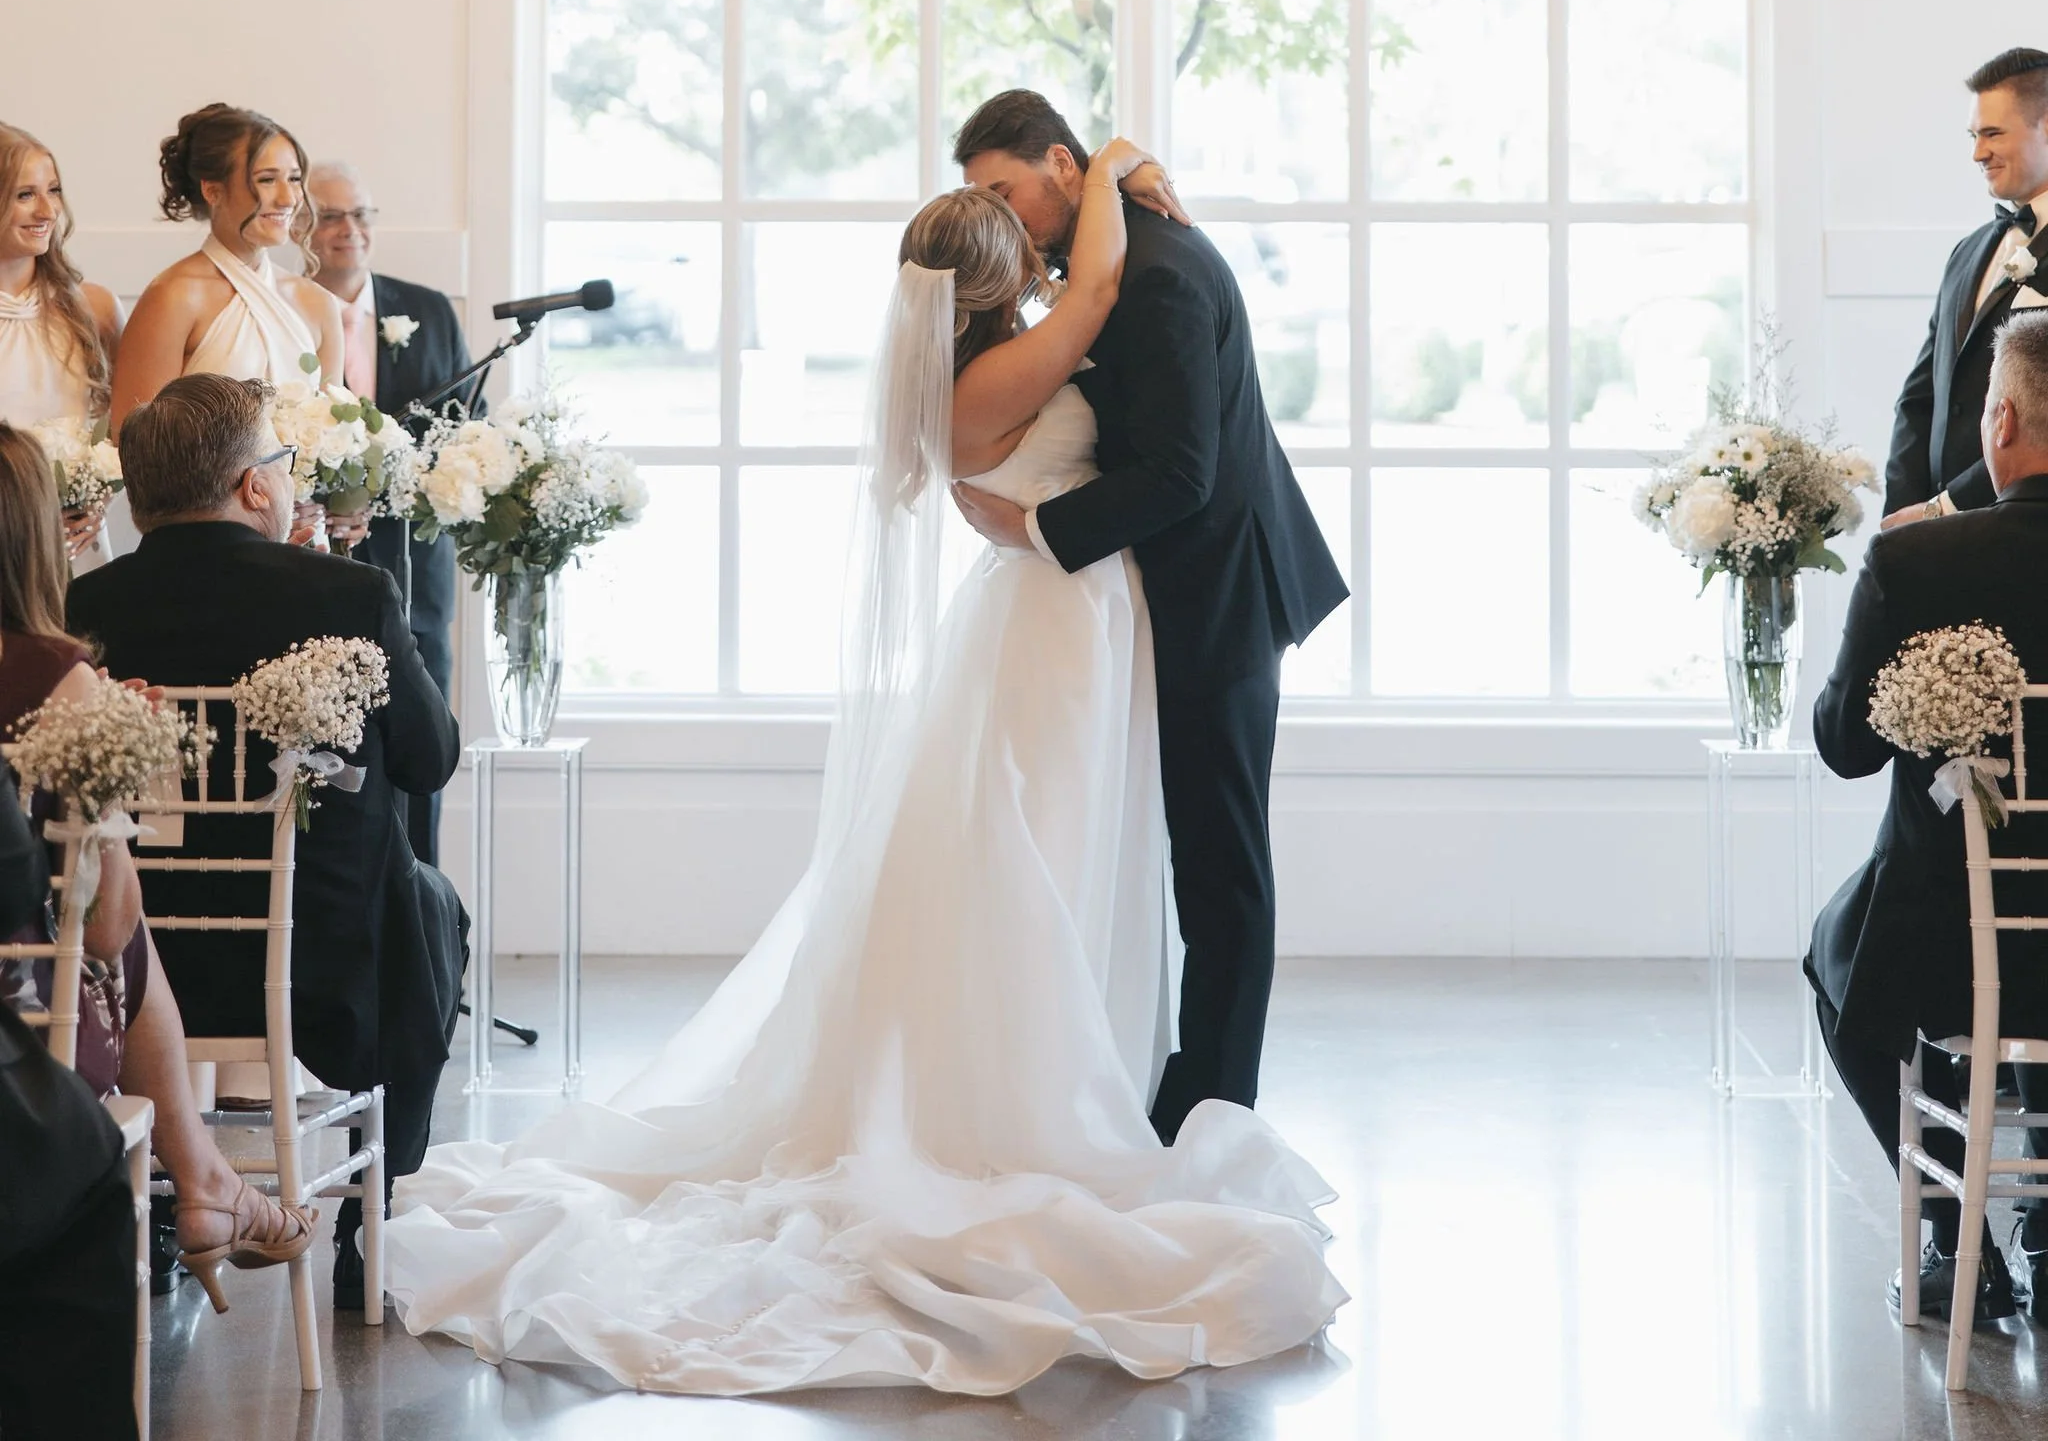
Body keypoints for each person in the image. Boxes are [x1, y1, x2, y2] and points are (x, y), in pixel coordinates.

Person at [381, 139, 1343, 1396]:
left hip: (1053, 612)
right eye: (1006, 214)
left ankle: (1093, 1077)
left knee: (1051, 856)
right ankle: (1049, 1097)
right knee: (1044, 856)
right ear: (996, 273)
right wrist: (1110, 173)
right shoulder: (1030, 349)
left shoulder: (964, 369)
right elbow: (1100, 302)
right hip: (1054, 620)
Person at [952, 89, 1348, 1137]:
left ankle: (1216, 1106)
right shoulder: (1110, 254)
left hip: (1219, 589)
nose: (1000, 216)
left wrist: (1030, 529)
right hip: (1167, 594)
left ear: (1056, 164)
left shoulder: (1158, 274)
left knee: (1218, 862)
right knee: (1183, 849)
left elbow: (1178, 474)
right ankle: (1169, 1080)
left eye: (1003, 191)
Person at [69, 375, 464, 1314]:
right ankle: (373, 1212)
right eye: (282, 468)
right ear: (255, 486)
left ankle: (164, 1208)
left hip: (137, 976)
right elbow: (431, 758)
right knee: (428, 899)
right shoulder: (351, 592)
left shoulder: (83, 608)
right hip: (329, 970)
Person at [0, 425, 315, 1303]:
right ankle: (209, 1184)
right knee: (122, 935)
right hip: (23, 1022)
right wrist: (114, 786)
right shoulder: (49, 670)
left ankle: (211, 1182)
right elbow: (102, 925)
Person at [1808, 306, 2048, 1325]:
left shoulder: (1918, 563)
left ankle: (1958, 1239)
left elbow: (1844, 747)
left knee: (1834, 956)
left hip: (1950, 936)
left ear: (1997, 421)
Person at [305, 161, 465, 857]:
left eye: (362, 214)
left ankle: (424, 909)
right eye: (332, 216)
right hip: (313, 567)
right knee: (333, 750)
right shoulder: (282, 314)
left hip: (417, 574)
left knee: (422, 742)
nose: (351, 231)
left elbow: (463, 431)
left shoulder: (427, 311)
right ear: (300, 226)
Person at [0, 762, 138, 1441]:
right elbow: (15, 884)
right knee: (82, 1157)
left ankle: (202, 1185)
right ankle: (201, 1184)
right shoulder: (63, 678)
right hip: (38, 1009)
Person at [1885, 46, 2048, 523]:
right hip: (1936, 543)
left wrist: (1946, 507)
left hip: (2024, 534)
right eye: (1974, 135)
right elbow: (1921, 398)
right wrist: (1904, 517)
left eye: (1993, 133)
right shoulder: (1968, 252)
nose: (1978, 153)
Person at [110, 105, 343, 433]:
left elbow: (333, 428)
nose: (288, 198)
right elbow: (130, 439)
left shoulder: (318, 304)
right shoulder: (173, 297)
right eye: (266, 180)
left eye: (293, 179)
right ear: (212, 190)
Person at [0, 123, 125, 560]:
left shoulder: (95, 308)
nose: (47, 211)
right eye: (24, 195)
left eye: (53, 190)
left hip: (77, 542)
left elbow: (124, 430)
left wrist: (97, 498)